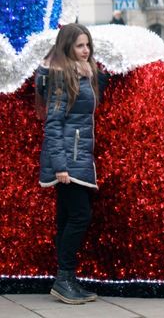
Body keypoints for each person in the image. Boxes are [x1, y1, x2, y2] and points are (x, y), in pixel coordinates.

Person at [35, 23, 107, 304]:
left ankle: (66, 278)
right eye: (79, 45)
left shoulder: (85, 73)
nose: (85, 50)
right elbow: (53, 124)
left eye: (87, 45)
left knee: (67, 217)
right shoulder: (64, 77)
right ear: (67, 47)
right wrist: (61, 166)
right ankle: (64, 278)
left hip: (76, 158)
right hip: (68, 160)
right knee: (80, 216)